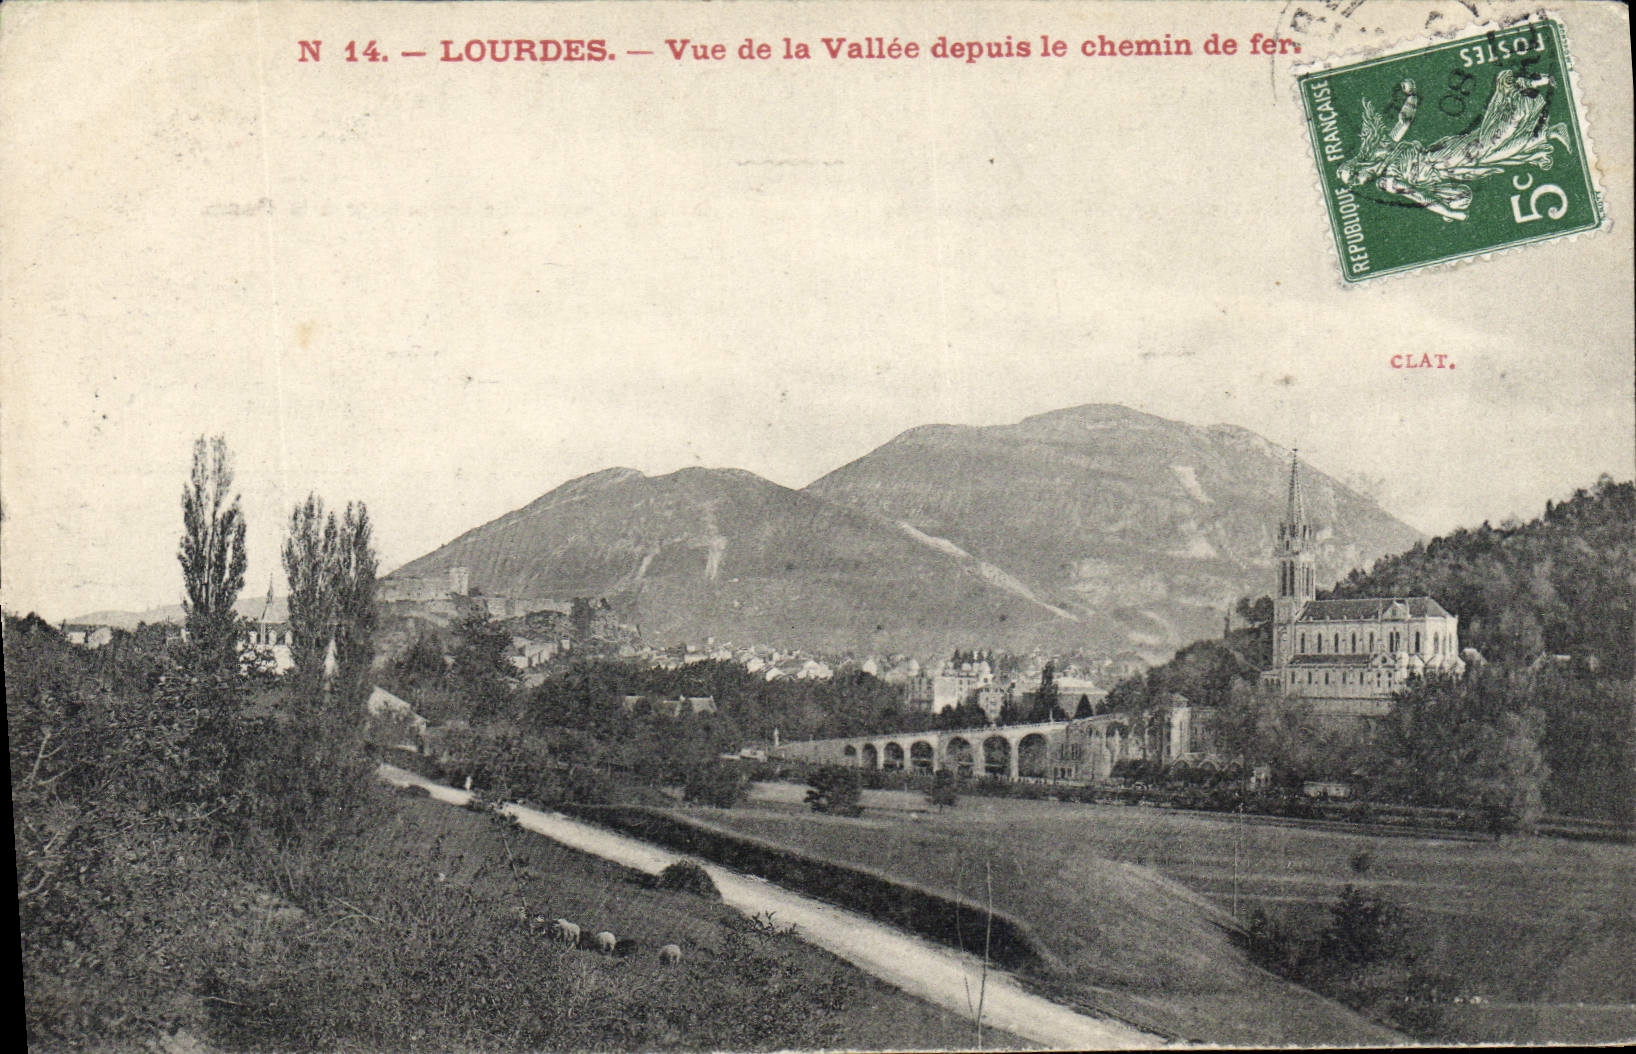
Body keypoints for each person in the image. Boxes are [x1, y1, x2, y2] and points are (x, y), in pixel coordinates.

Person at [1337, 71, 1573, 221]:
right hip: (1446, 163)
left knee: (1493, 142)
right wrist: (1449, 210)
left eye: (1354, 178)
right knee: (1497, 153)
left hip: (1446, 159)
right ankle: (1547, 132)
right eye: (1355, 182)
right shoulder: (1384, 173)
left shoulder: (1385, 164)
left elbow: (1404, 123)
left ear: (1358, 166)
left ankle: (1520, 90)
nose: (1359, 183)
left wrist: (1413, 96)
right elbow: (1422, 194)